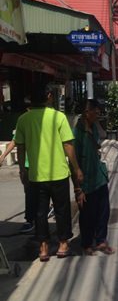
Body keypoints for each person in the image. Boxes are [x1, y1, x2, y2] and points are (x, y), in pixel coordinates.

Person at [15, 82, 83, 262]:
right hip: (59, 174)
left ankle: (43, 247)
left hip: (36, 175)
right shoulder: (58, 117)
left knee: (40, 212)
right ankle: (62, 244)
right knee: (61, 210)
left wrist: (22, 170)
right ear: (49, 97)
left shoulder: (23, 119)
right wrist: (76, 168)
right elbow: (68, 145)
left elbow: (20, 149)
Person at [73, 99, 114, 256]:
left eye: (99, 111)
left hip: (99, 177)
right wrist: (77, 188)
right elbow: (73, 161)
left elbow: (98, 144)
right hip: (86, 180)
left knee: (103, 211)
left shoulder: (94, 129)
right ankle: (86, 243)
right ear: (86, 112)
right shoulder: (77, 133)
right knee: (87, 214)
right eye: (95, 111)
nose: (98, 114)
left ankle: (101, 240)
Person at [0, 136, 37, 233]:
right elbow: (15, 140)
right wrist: (3, 156)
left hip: (44, 164)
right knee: (29, 193)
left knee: (42, 193)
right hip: (28, 165)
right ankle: (30, 220)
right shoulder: (23, 121)